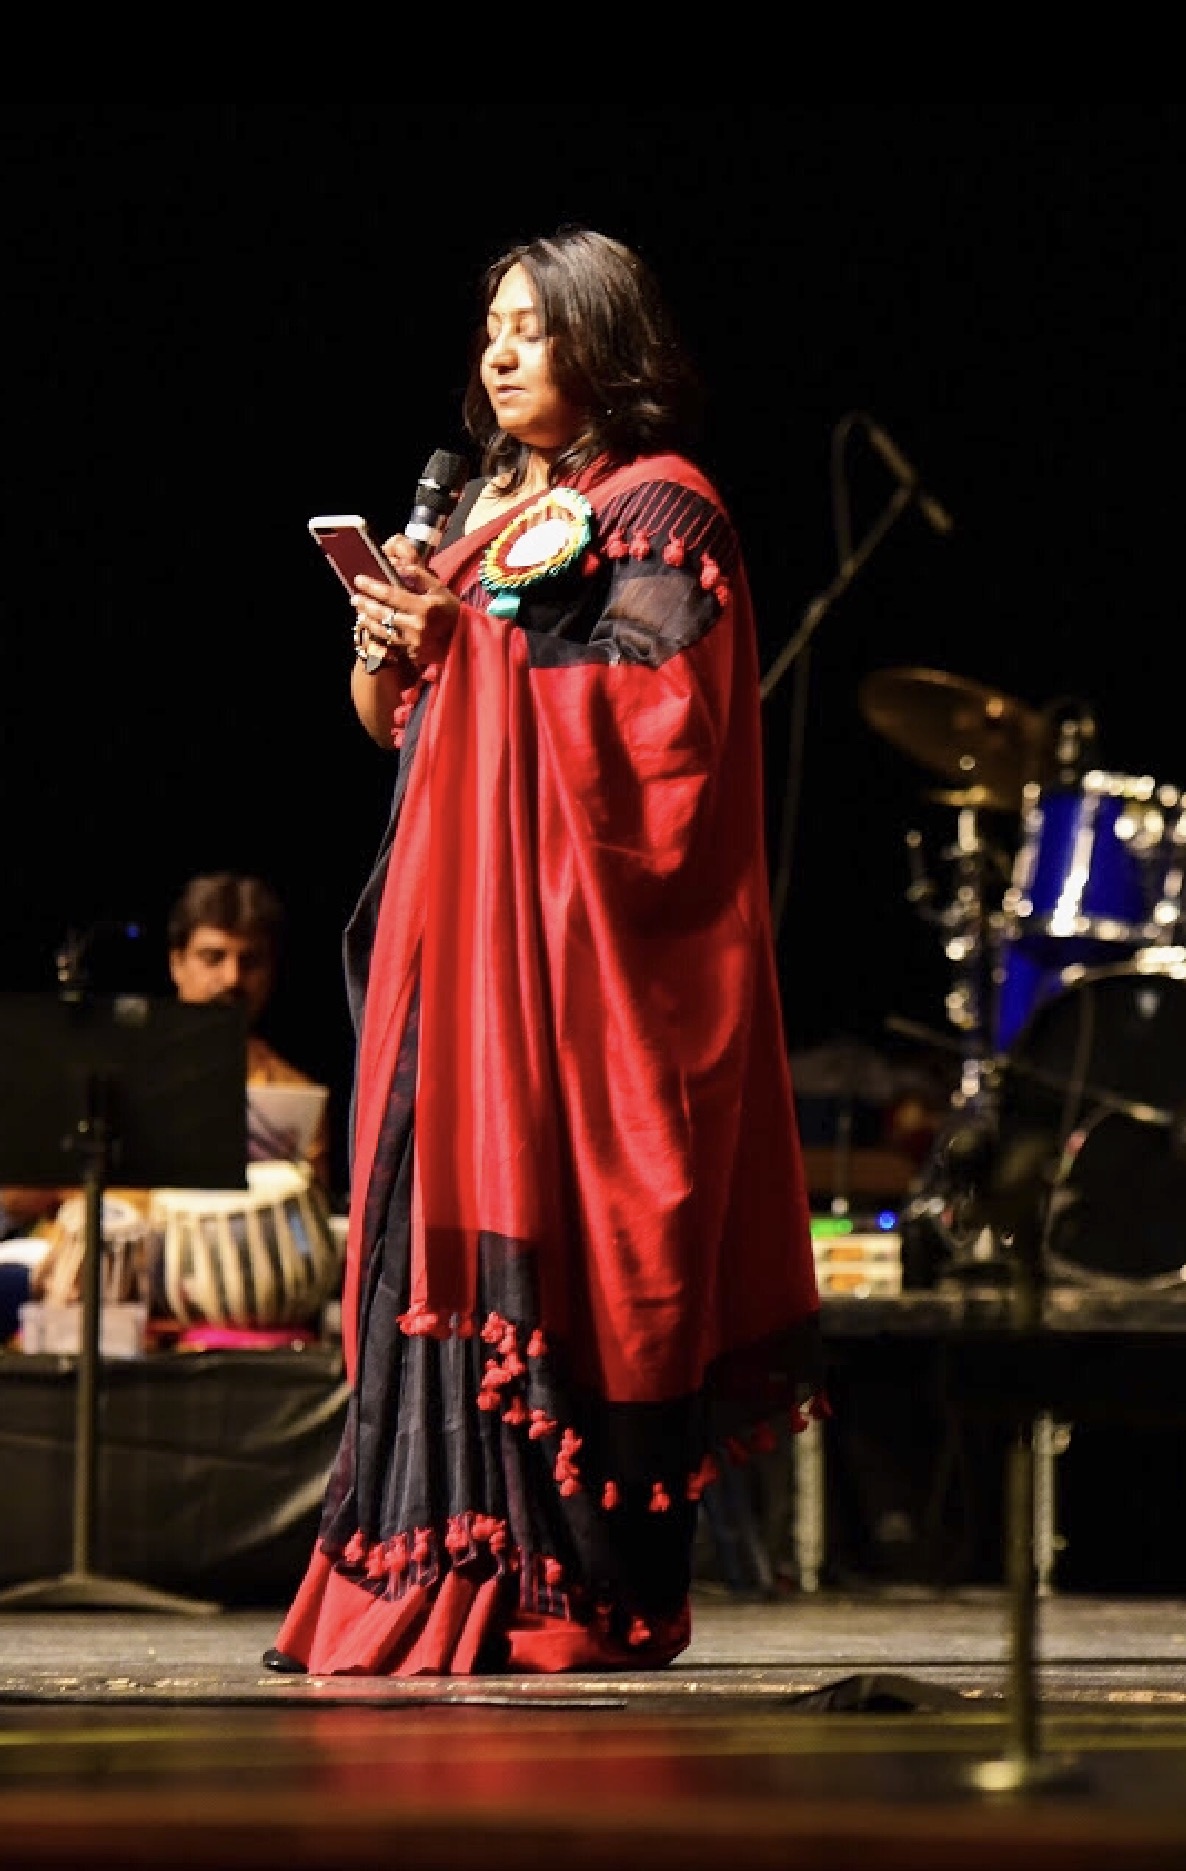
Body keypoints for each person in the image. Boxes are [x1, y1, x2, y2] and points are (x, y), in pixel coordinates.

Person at [265, 227, 824, 1678]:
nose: (500, 352)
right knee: (406, 1227)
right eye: (492, 330)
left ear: (604, 342)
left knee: (567, 1236)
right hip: (445, 949)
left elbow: (665, 728)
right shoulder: (479, 503)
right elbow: (387, 719)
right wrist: (394, 636)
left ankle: (554, 1581)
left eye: (534, 328)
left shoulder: (659, 505)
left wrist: (484, 645)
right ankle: (418, 1562)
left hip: (565, 967)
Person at [0, 871, 332, 1272]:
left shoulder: (295, 1096)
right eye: (213, 957)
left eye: (251, 962)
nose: (232, 978)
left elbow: (302, 1236)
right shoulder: (100, 1067)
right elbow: (15, 1198)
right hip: (85, 1280)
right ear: (177, 963)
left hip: (222, 1292)